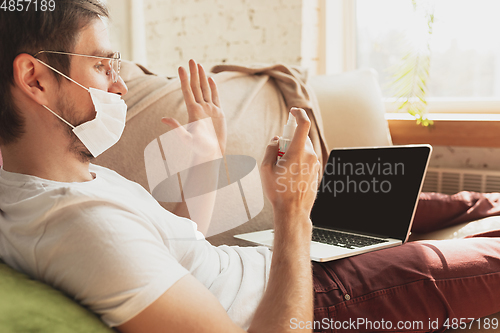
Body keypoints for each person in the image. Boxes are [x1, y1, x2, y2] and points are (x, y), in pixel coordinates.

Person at [0, 1, 498, 333]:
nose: (120, 85)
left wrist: (206, 159)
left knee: (459, 205)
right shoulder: (79, 226)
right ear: (35, 79)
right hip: (311, 298)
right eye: (103, 66)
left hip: (284, 264)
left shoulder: (62, 180)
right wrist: (292, 215)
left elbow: (173, 248)